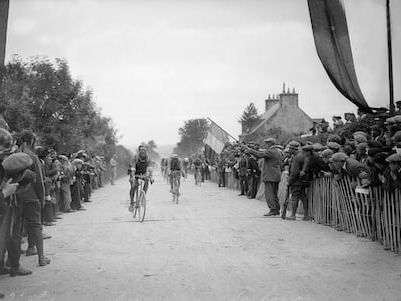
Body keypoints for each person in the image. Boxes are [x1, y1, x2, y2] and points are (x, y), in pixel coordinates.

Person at [0, 128, 32, 279]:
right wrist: (5, 193)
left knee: (9, 235)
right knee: (11, 234)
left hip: (7, 202)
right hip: (6, 203)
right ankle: (14, 265)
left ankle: (7, 265)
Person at [17, 129, 51, 266]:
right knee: (36, 225)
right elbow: (39, 181)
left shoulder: (14, 156)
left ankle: (13, 261)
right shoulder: (33, 157)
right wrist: (42, 197)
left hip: (15, 196)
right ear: (31, 141)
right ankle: (41, 257)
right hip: (31, 196)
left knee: (16, 227)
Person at [242, 137, 282, 217]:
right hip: (275, 175)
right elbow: (261, 152)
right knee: (274, 193)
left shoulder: (271, 151)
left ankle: (272, 209)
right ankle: (276, 209)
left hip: (270, 175)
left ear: (270, 143)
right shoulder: (276, 151)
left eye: (267, 143)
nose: (266, 144)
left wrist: (249, 149)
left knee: (269, 193)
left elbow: (259, 155)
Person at [129, 145, 152, 211]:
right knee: (134, 186)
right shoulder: (135, 157)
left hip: (143, 173)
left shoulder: (148, 158)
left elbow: (150, 168)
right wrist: (133, 177)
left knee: (147, 181)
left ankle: (142, 197)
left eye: (144, 150)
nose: (143, 151)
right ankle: (131, 202)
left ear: (146, 151)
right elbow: (133, 168)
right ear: (139, 150)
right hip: (135, 173)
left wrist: (151, 176)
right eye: (141, 150)